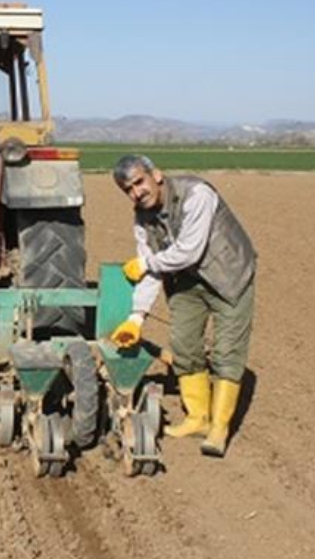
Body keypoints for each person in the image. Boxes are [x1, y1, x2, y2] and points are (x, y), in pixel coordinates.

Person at [109, 154, 256, 457]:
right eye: (129, 189)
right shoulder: (142, 219)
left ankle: (218, 428)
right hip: (188, 282)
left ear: (157, 175)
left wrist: (147, 262)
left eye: (139, 182)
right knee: (184, 344)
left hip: (229, 277)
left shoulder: (197, 194)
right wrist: (137, 317)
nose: (137, 192)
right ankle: (198, 419)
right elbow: (151, 270)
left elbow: (189, 251)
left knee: (226, 351)